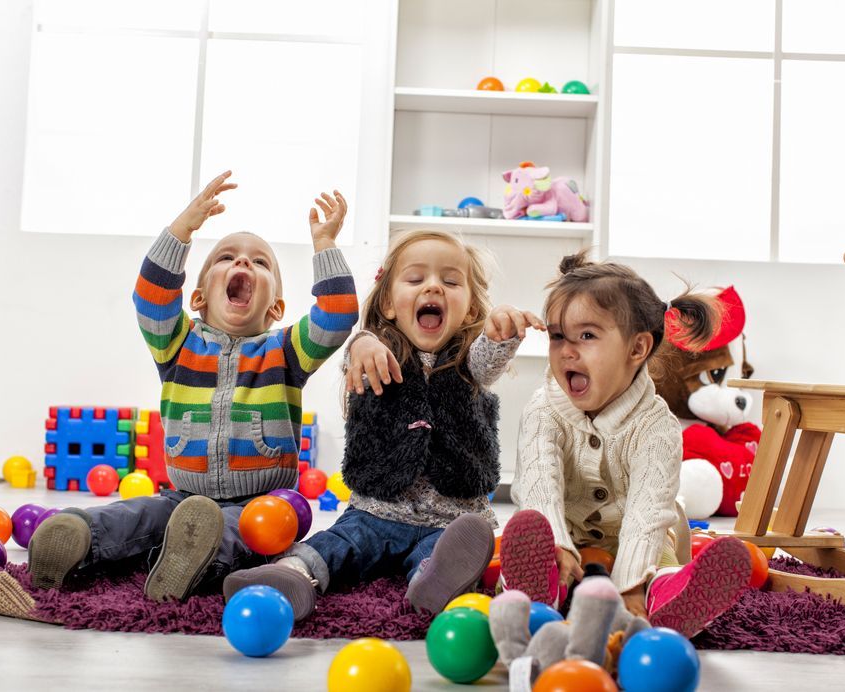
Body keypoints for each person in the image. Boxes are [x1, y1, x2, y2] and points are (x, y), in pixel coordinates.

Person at [27, 171, 358, 602]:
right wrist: (183, 229)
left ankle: (191, 561)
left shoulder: (286, 351)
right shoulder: (176, 344)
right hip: (183, 495)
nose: (243, 264)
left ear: (276, 307)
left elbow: (338, 315)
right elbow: (151, 295)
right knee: (140, 514)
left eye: (260, 263)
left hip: (263, 501)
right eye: (227, 257)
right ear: (198, 297)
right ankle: (80, 537)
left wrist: (326, 245)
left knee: (247, 532)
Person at [223, 229, 544, 620]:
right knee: (338, 543)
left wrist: (500, 334)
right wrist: (361, 343)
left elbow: (487, 359)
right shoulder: (375, 352)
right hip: (375, 513)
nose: (434, 288)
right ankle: (290, 574)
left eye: (450, 281)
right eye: (416, 279)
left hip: (449, 520)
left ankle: (432, 583)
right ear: (390, 304)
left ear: (472, 310)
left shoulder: (468, 363)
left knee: (443, 555)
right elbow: (356, 358)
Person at [501, 251, 752, 639]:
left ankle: (668, 596)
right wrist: (558, 543)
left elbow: (648, 513)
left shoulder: (657, 426)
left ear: (637, 349)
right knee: (534, 531)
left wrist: (631, 586)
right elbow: (538, 484)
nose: (567, 350)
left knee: (659, 563)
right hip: (567, 529)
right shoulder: (543, 410)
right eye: (557, 336)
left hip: (636, 538)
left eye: (586, 336)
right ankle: (539, 588)